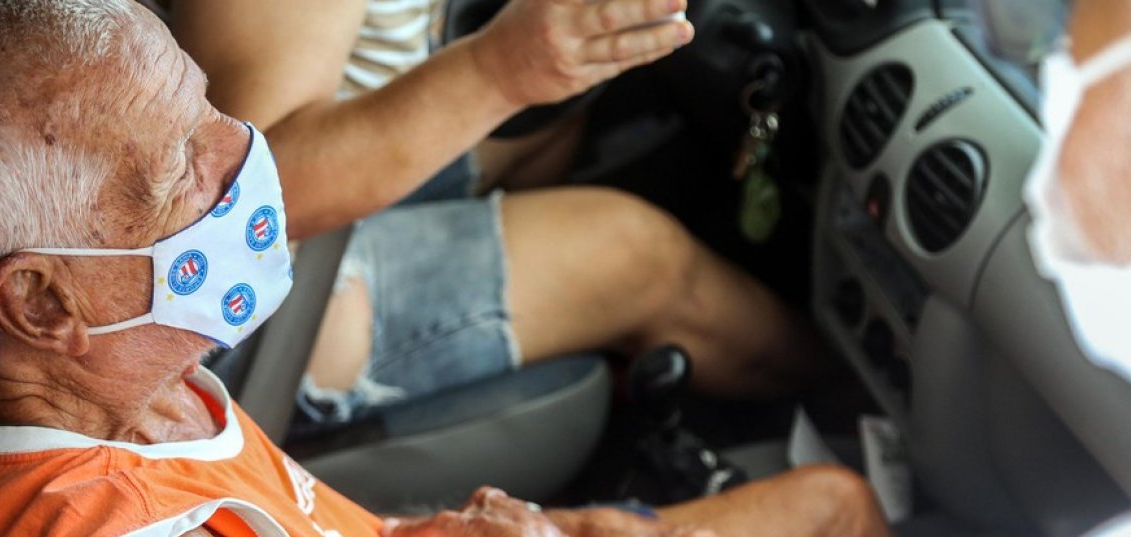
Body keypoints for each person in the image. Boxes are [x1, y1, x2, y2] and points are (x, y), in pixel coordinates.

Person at [32, 0, 1131, 537]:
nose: (243, 161)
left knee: (841, 520)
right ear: (41, 297)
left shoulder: (150, 394)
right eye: (187, 161)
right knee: (641, 262)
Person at [157, 0, 824, 429]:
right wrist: (501, 69)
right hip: (255, 297)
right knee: (634, 256)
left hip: (344, 140)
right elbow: (252, 195)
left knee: (558, 125)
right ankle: (848, 396)